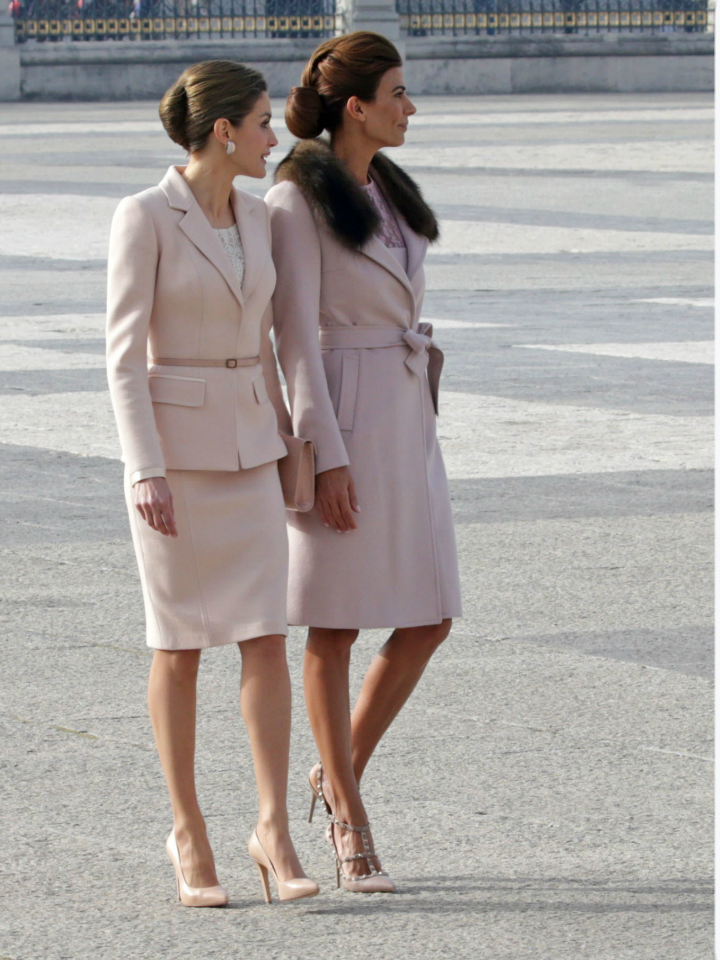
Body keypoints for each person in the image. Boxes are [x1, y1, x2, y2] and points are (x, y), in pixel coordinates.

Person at [105, 59, 320, 908]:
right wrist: (143, 467)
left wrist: (293, 439)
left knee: (268, 637)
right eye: (266, 123)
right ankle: (187, 828)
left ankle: (272, 826)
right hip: (175, 460)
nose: (276, 138)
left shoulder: (264, 217)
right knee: (180, 646)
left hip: (253, 449)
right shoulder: (144, 215)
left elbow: (278, 339)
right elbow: (122, 356)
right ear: (225, 131)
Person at [267, 30, 461, 893]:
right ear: (357, 106)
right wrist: (326, 454)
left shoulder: (385, 189)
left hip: (406, 412)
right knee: (335, 622)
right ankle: (348, 812)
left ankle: (332, 769)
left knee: (429, 615)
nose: (409, 106)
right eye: (397, 92)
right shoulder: (295, 199)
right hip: (344, 413)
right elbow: (294, 338)